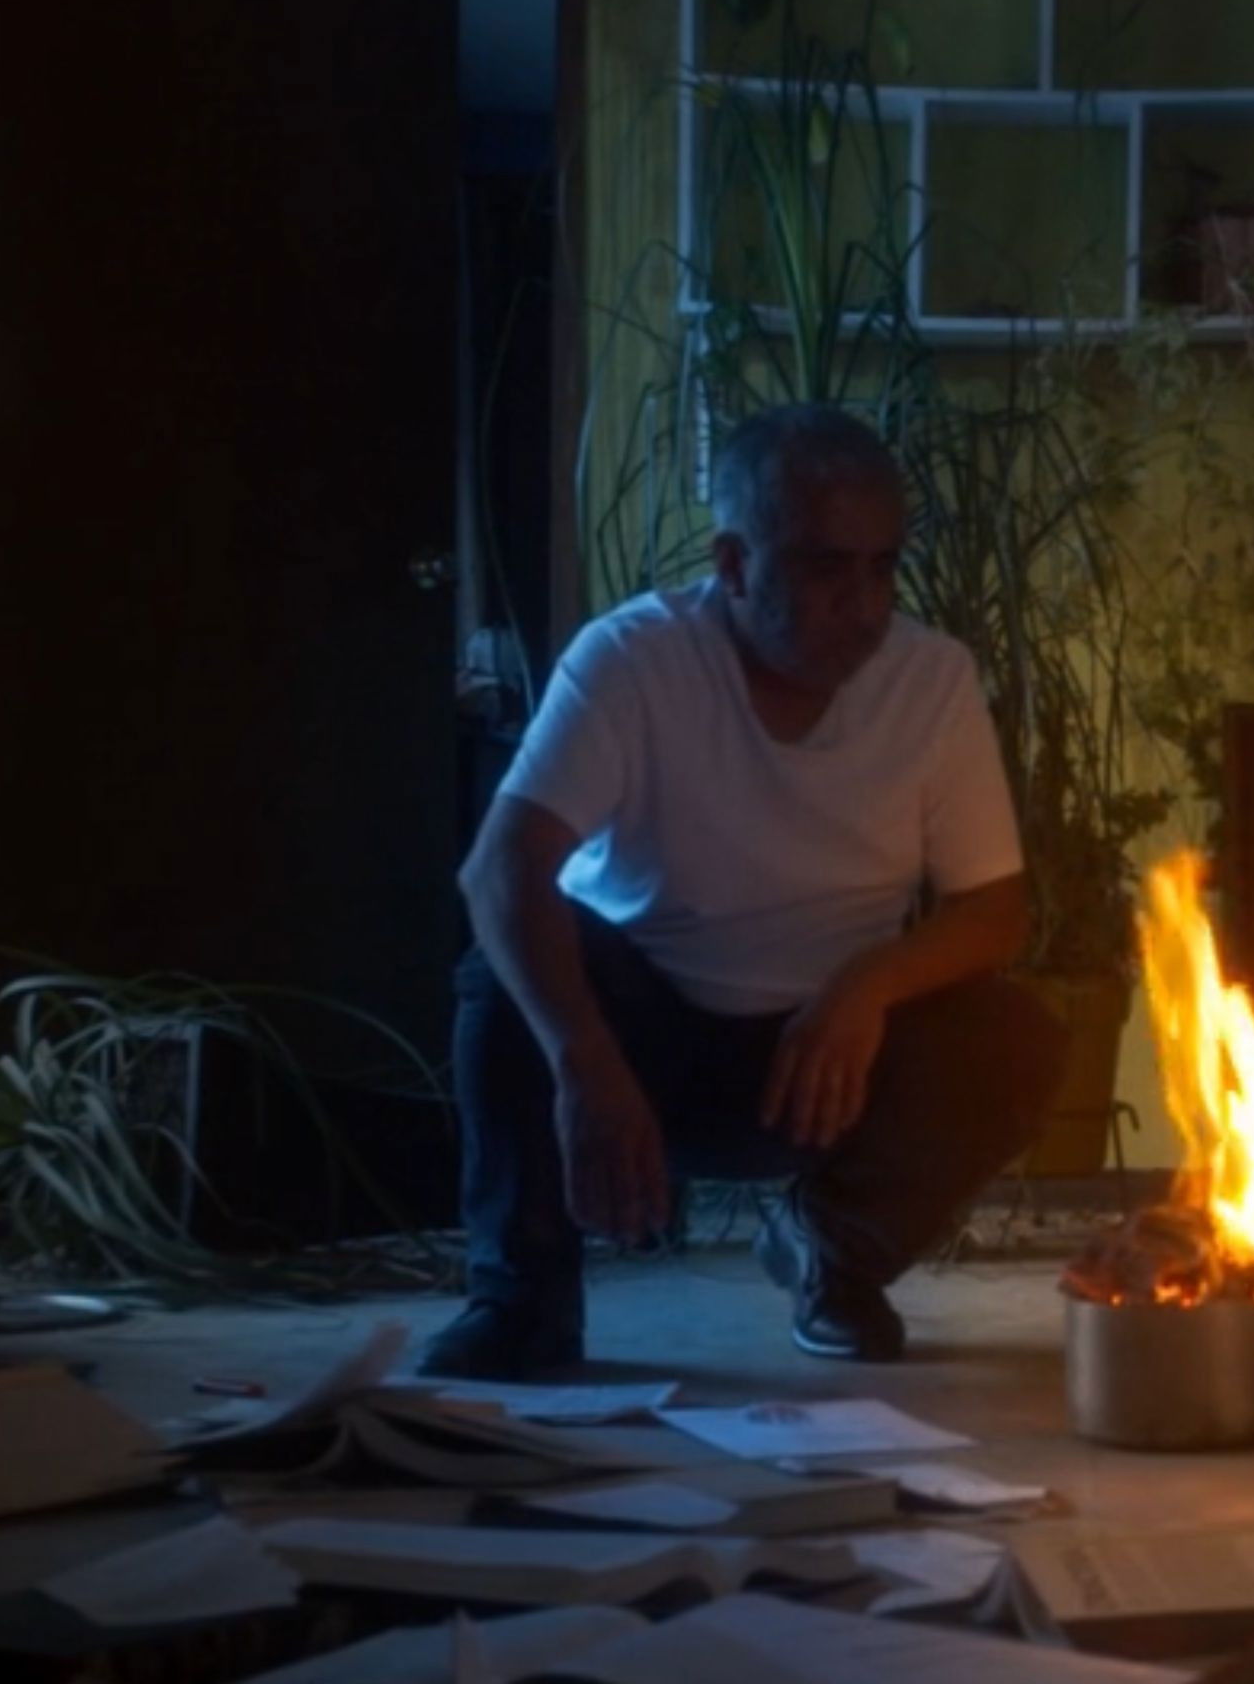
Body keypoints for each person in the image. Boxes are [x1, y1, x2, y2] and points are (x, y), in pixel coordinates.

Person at [425, 404, 1063, 1379]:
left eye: (882, 568)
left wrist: (866, 987)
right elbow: (501, 868)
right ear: (732, 564)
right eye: (825, 568)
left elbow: (995, 911)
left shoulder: (931, 679)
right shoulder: (632, 658)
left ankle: (833, 1255)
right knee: (502, 975)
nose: (864, 605)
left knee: (1016, 1036)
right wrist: (584, 1062)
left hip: (827, 1060)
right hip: (647, 1046)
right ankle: (520, 1302)